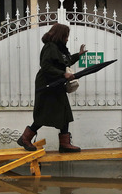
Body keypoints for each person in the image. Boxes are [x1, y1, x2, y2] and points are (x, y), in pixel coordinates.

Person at [18, 23, 86, 153]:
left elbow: (65, 61)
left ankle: (64, 144)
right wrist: (63, 74)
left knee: (64, 112)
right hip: (47, 85)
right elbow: (46, 66)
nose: (67, 39)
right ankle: (25, 138)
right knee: (45, 113)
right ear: (60, 35)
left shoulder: (59, 49)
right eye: (66, 36)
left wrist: (79, 55)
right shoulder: (50, 47)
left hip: (56, 84)